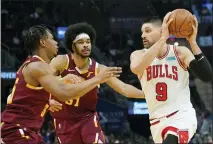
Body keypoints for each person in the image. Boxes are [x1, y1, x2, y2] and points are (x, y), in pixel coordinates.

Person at [1, 25, 122, 144]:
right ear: (43, 42)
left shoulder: (34, 65)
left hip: (26, 131)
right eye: (52, 39)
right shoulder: (38, 66)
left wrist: (48, 100)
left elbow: (17, 97)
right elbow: (64, 93)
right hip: (16, 131)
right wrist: (97, 79)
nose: (56, 42)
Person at [49, 22, 144, 144]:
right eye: (81, 42)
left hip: (87, 119)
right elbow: (42, 81)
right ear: (73, 46)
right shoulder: (61, 62)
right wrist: (49, 99)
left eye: (88, 42)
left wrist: (147, 94)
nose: (86, 45)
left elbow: (124, 88)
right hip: (65, 121)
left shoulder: (99, 69)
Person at [130, 12, 212, 144]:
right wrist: (162, 39)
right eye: (142, 32)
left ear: (162, 30)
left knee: (171, 138)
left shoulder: (180, 52)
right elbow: (136, 68)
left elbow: (206, 76)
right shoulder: (138, 55)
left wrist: (192, 42)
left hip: (181, 116)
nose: (143, 35)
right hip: (156, 122)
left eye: (147, 31)